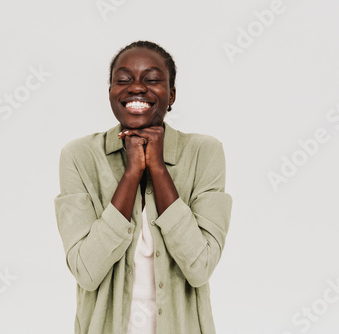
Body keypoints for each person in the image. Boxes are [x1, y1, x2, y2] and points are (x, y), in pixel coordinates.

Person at [54, 40, 233, 334]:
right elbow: (86, 271)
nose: (136, 88)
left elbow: (200, 267)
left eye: (152, 80)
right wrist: (131, 173)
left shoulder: (204, 153)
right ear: (111, 92)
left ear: (171, 94)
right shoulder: (79, 156)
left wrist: (159, 169)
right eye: (123, 80)